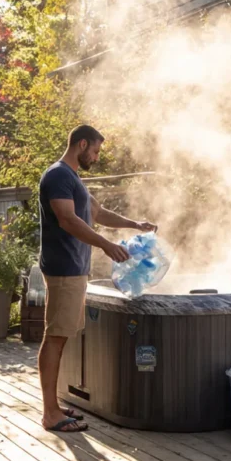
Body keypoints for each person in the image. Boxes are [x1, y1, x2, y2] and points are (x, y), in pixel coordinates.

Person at [37, 124, 156, 433]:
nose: (97, 157)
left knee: (61, 336)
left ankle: (53, 406)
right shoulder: (58, 175)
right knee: (55, 337)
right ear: (82, 144)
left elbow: (97, 213)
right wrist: (106, 245)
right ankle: (50, 413)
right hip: (63, 269)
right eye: (96, 151)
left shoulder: (73, 177)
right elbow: (68, 220)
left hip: (74, 270)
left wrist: (135, 224)